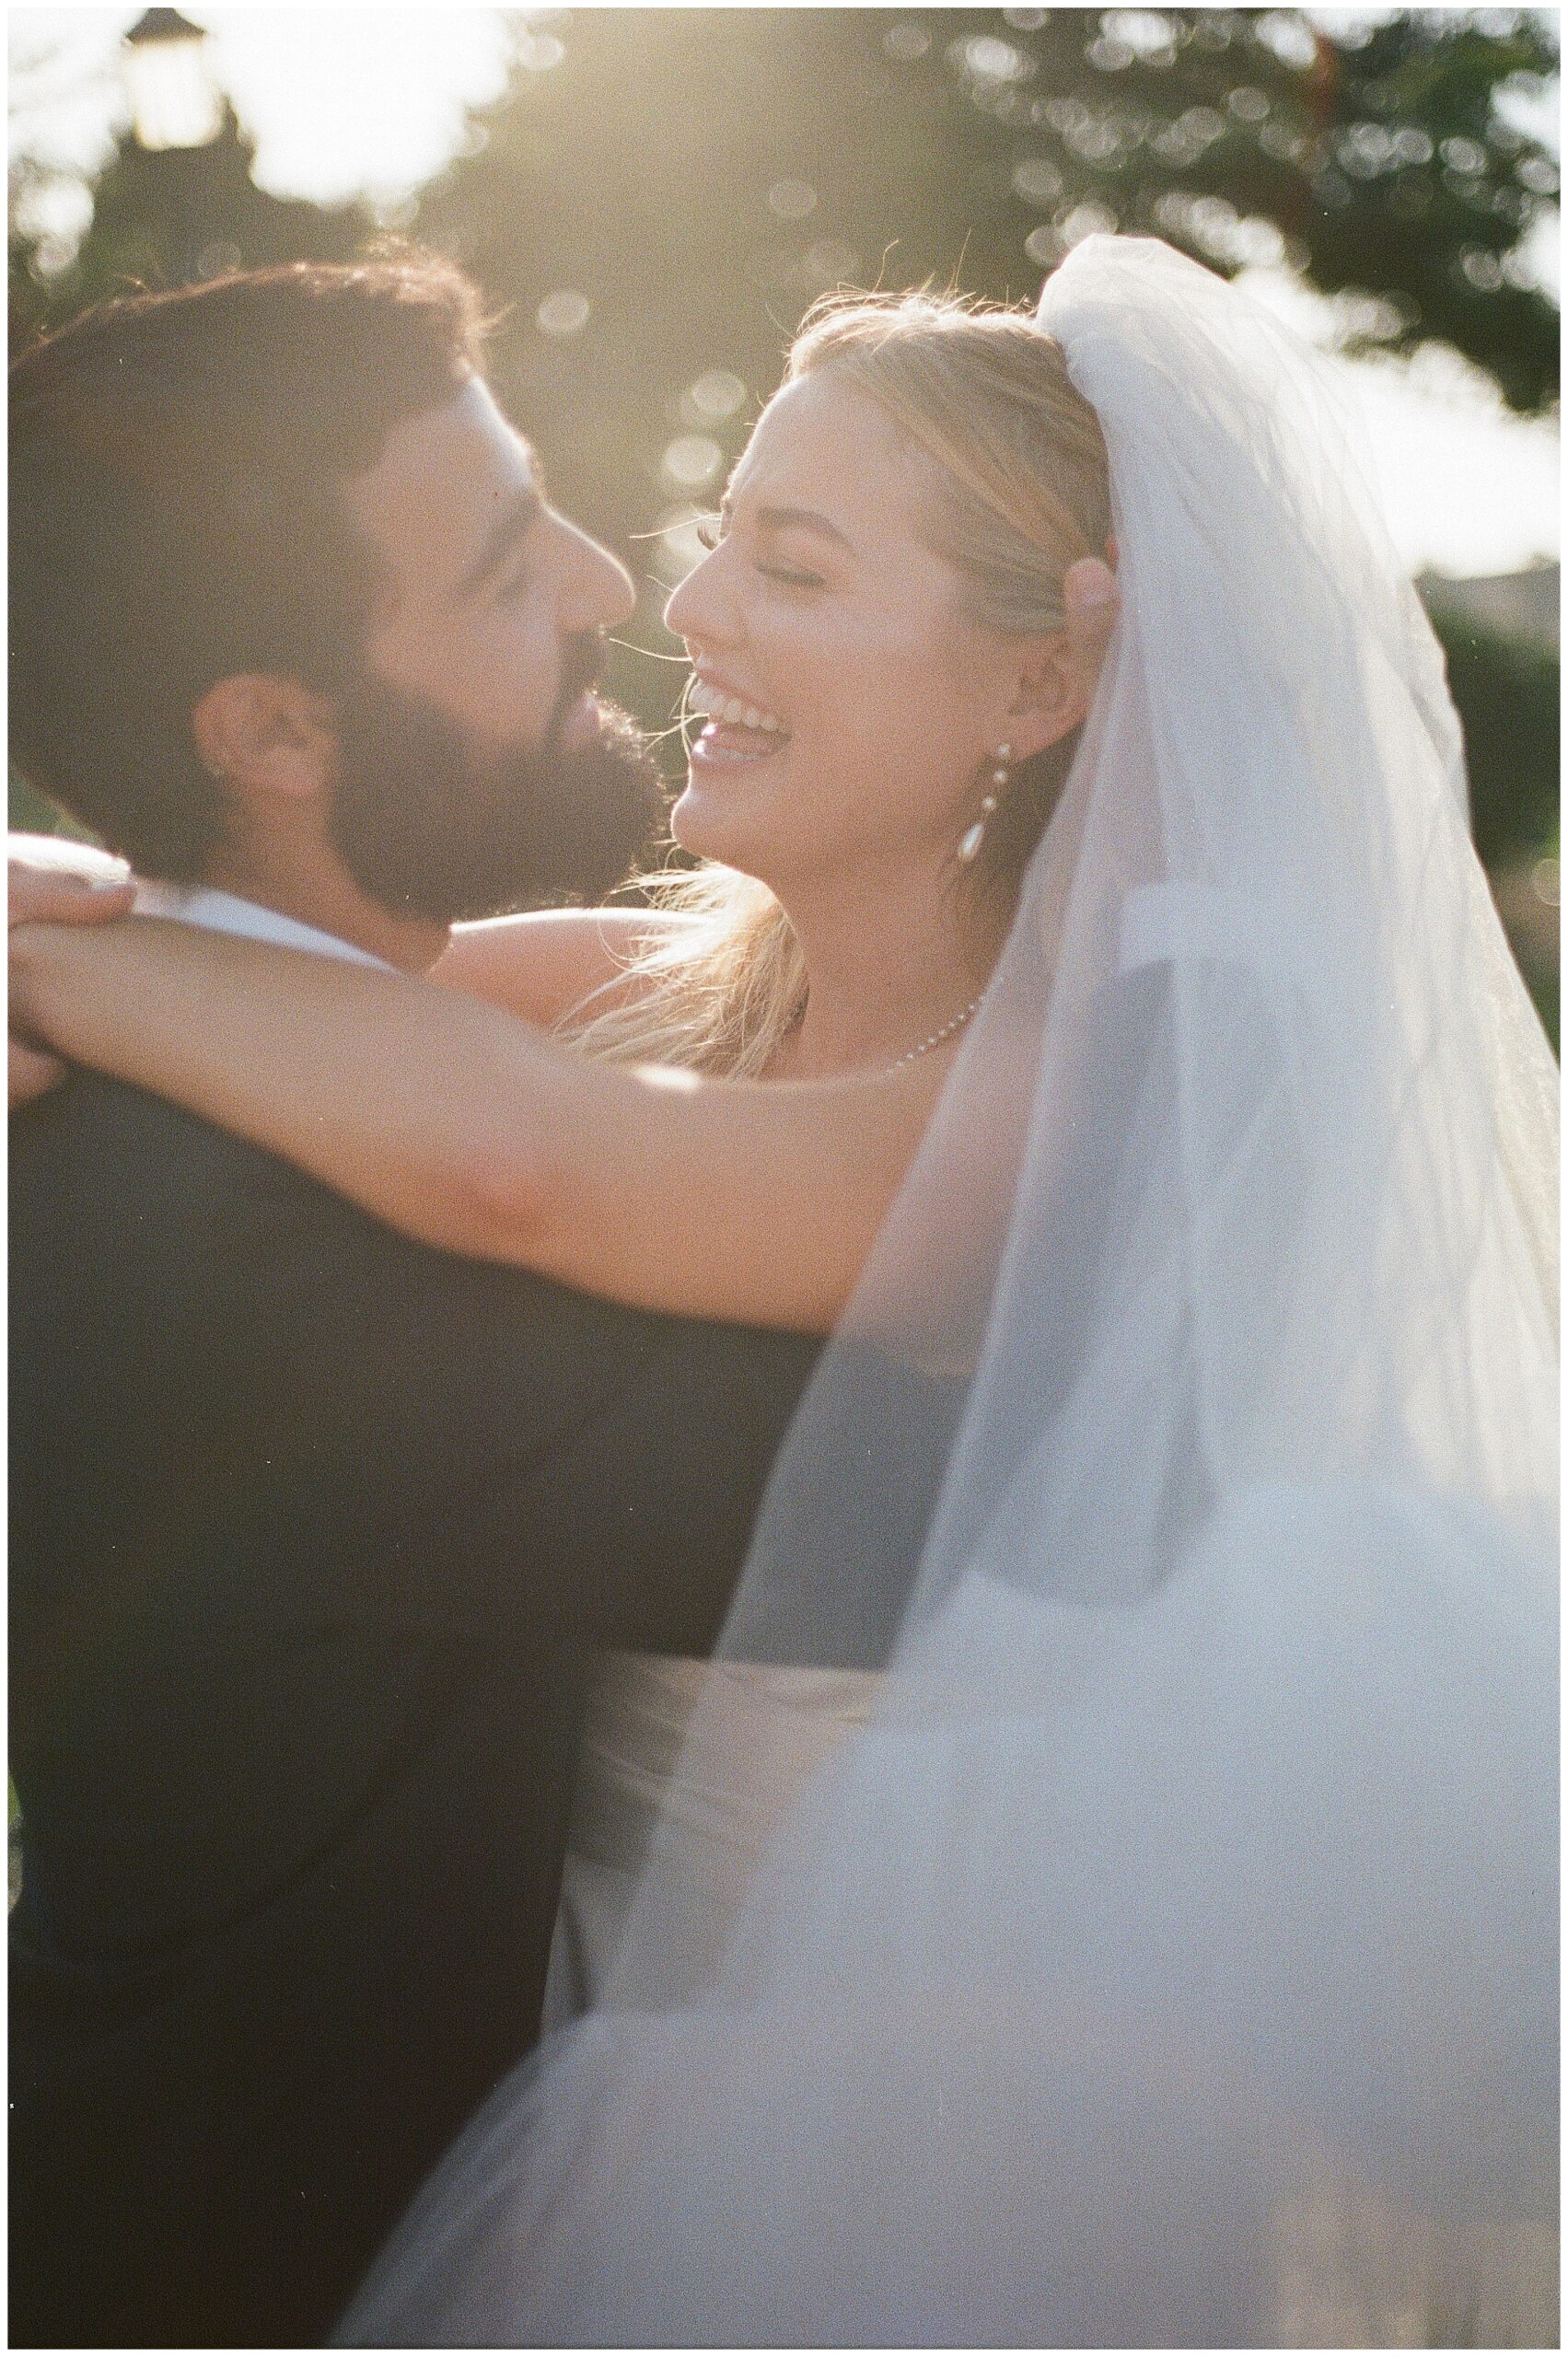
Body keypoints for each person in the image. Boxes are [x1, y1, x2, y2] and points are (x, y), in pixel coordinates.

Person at [12, 237, 1555, 2345]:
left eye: (801, 568)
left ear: (1043, 680)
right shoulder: (668, 980)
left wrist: (56, 956)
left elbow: (512, 1152)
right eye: (726, 537)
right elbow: (360, 989)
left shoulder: (1104, 1093)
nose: (680, 606)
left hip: (910, 2166)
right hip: (539, 2111)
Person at [6, 256, 840, 2349]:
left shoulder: (236, 1068)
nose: (597, 586)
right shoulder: (215, 1232)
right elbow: (926, 1493)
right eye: (493, 568)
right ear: (272, 729)